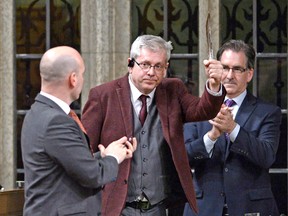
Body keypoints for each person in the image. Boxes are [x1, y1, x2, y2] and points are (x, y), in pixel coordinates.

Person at [81, 34, 226, 216]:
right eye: (145, 64)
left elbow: (202, 111)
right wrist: (103, 156)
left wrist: (214, 85)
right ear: (130, 64)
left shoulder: (173, 90)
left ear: (166, 68)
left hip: (160, 207)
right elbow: (83, 151)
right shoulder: (103, 96)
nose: (151, 72)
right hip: (116, 208)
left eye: (158, 66)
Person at [21, 46, 137, 216]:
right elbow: (92, 176)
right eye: (82, 74)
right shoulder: (56, 121)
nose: (83, 79)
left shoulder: (37, 112)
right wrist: (113, 158)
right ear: (73, 79)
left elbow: (66, 163)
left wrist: (104, 156)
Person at [183, 40, 281, 216]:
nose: (229, 75)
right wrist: (211, 137)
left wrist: (233, 129)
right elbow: (183, 158)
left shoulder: (268, 112)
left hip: (251, 209)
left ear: (249, 74)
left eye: (237, 69)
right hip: (205, 209)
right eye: (225, 68)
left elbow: (267, 156)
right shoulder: (197, 109)